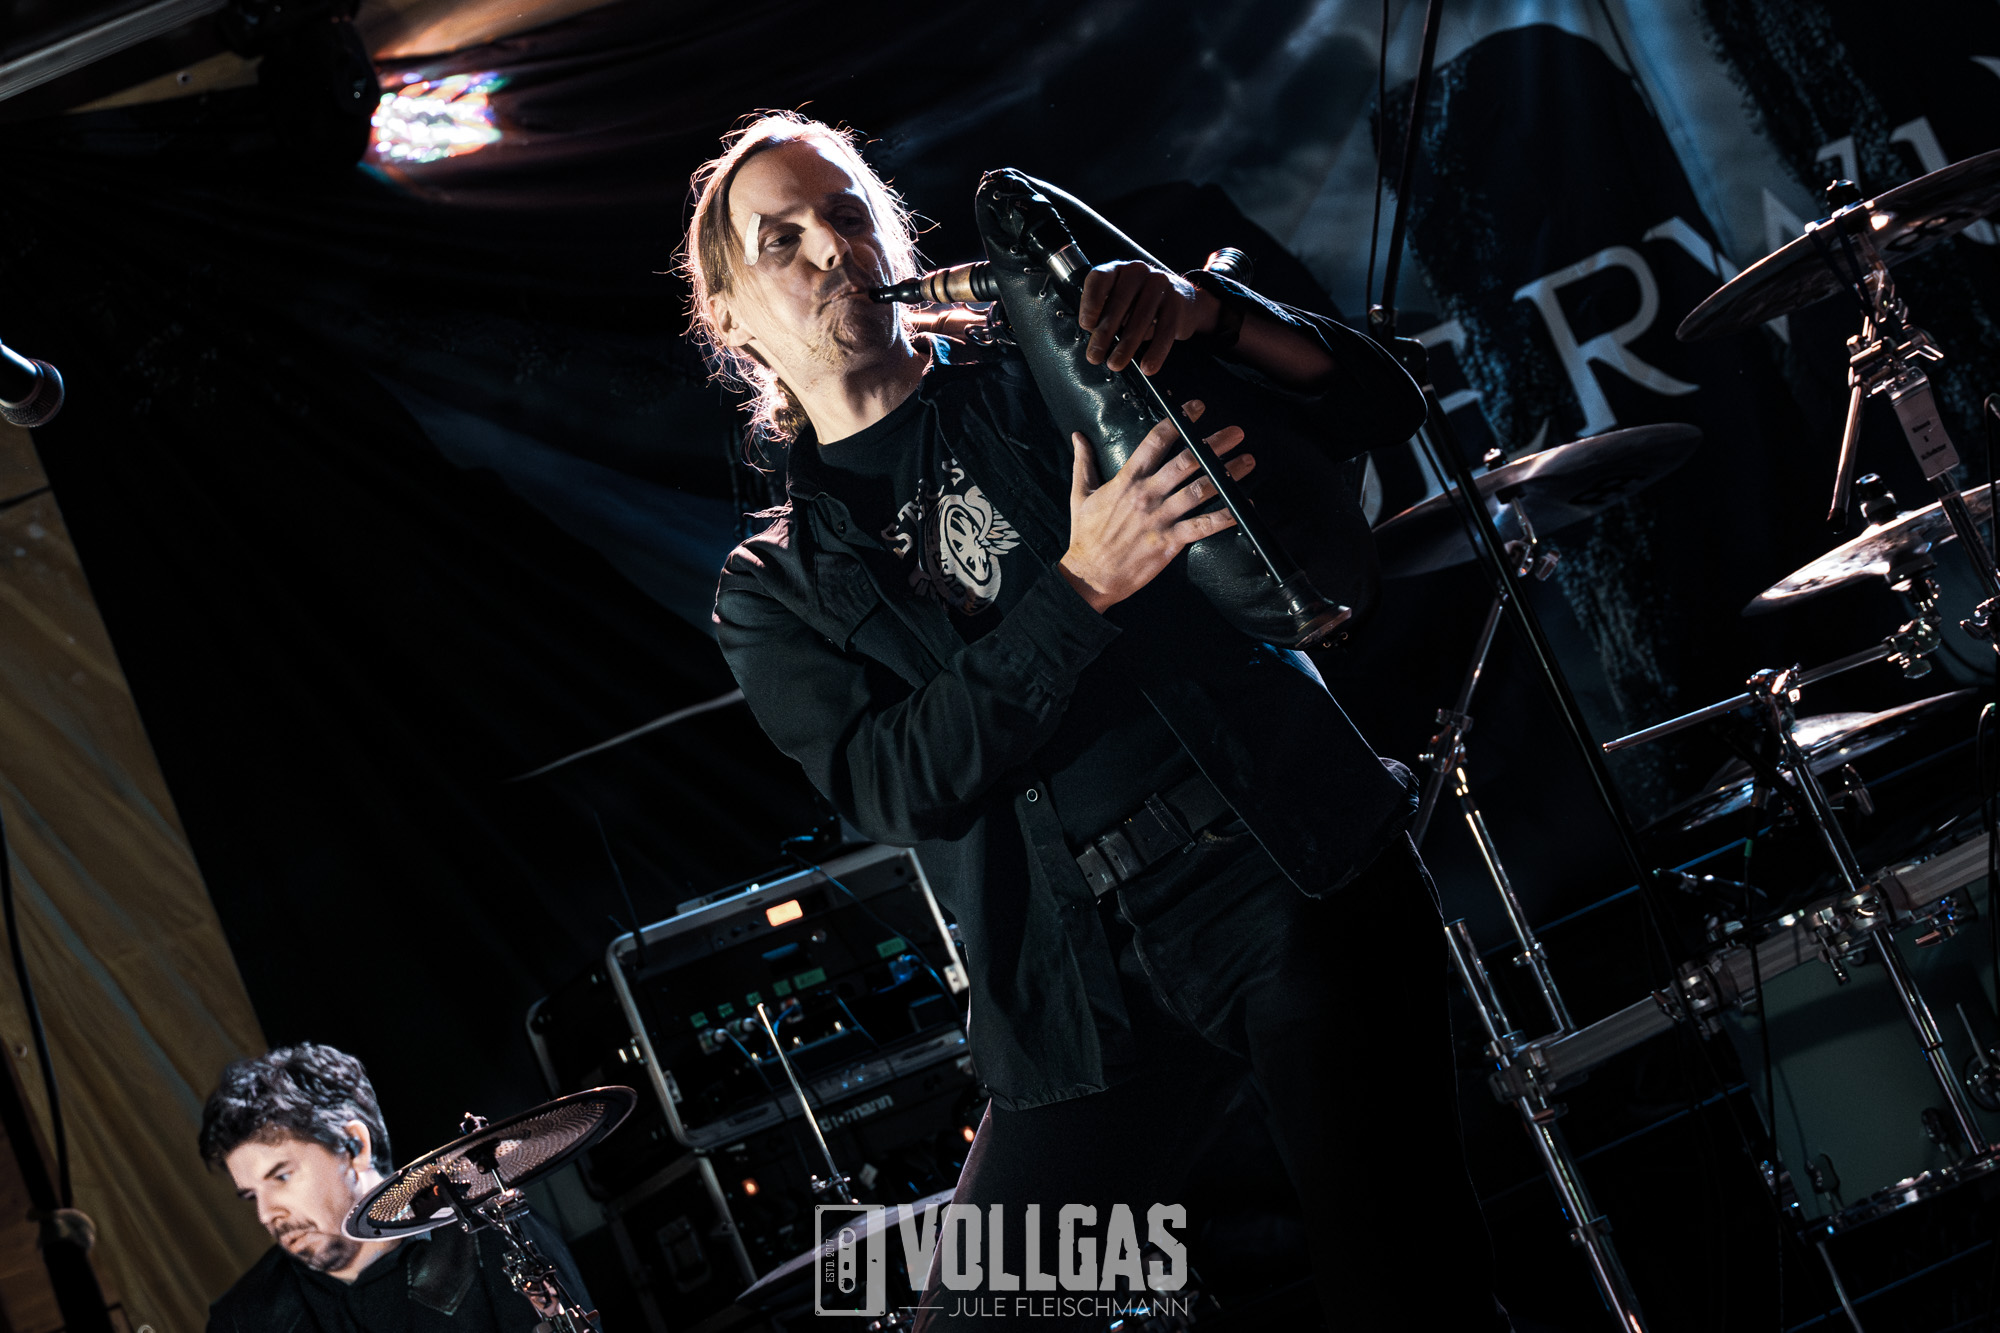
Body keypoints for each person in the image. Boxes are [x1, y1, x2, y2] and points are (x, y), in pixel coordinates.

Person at [695, 112, 1505, 1328]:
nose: (829, 250)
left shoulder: (1049, 373)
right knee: (978, 1312)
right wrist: (1079, 590)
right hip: (1078, 987)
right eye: (782, 240)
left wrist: (1201, 309)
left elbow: (1377, 401)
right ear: (730, 318)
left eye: (847, 215)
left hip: (1282, 876)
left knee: (1406, 1291)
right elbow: (897, 781)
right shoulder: (772, 586)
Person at [199, 1043, 591, 1333]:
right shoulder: (243, 1319)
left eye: (281, 1176)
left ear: (355, 1147)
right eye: (251, 1195)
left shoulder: (493, 1240)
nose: (267, 1214)